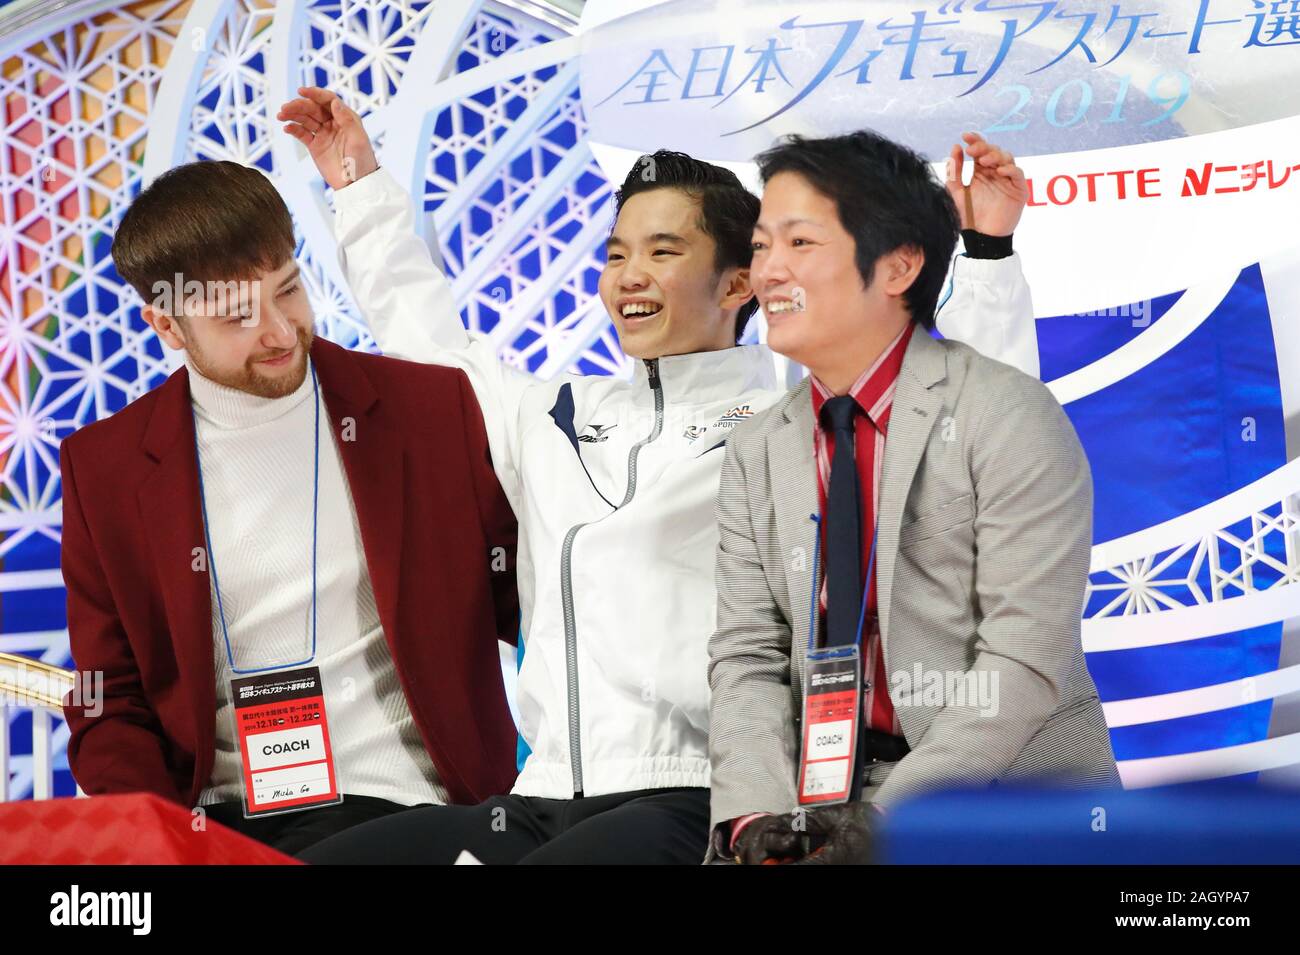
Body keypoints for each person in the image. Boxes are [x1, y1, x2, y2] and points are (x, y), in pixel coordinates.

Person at [281, 87, 1039, 864]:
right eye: (616, 254)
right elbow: (427, 342)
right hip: (542, 793)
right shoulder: (550, 415)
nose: (629, 276)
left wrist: (986, 258)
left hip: (699, 794)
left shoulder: (788, 418)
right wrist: (360, 190)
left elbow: (965, 436)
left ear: (739, 283)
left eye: (663, 252)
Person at [59, 159, 519, 857]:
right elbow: (107, 694)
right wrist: (153, 838)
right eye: (238, 314)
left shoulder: (424, 411)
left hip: (416, 809)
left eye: (289, 290)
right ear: (167, 326)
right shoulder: (105, 468)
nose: (279, 331)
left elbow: (537, 601)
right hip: (218, 827)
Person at [708, 131, 1120, 866]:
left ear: (899, 264)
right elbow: (747, 657)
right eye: (762, 244)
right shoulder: (757, 446)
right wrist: (752, 823)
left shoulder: (1005, 413)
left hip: (1003, 798)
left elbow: (1023, 659)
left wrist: (882, 826)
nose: (767, 270)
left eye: (799, 242)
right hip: (817, 802)